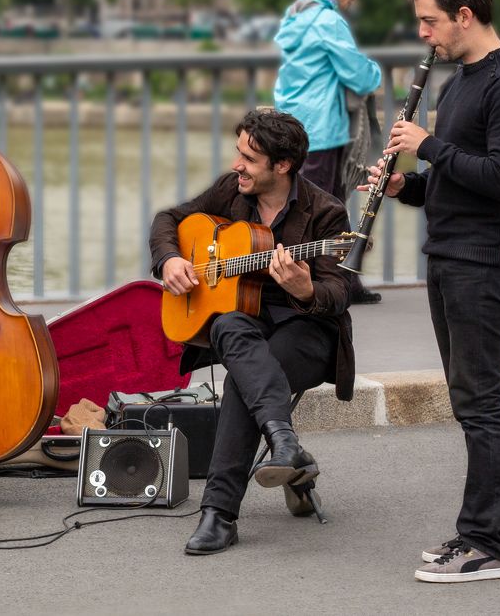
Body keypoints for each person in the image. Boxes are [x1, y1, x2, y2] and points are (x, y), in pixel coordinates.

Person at [365, 0, 500, 582]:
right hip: (450, 252)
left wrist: (429, 145)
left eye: (429, 20)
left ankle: (487, 543)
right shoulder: (457, 82)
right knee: (474, 401)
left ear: (464, 16)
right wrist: (404, 188)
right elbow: (453, 182)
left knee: (481, 401)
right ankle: (497, 532)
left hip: (484, 259)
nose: (423, 34)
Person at [149, 109, 354, 555]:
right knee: (228, 325)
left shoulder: (326, 213)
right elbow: (168, 219)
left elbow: (338, 293)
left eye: (249, 158)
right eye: (238, 152)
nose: (237, 164)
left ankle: (219, 513)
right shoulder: (231, 190)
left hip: (307, 332)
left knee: (247, 380)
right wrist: (169, 259)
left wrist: (305, 288)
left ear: (282, 166)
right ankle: (285, 446)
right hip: (249, 325)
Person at [273, 0, 383, 303]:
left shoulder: (298, 14)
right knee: (323, 209)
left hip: (297, 125)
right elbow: (358, 74)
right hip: (321, 129)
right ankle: (321, 287)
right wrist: (376, 74)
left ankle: (344, 281)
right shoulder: (327, 21)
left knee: (321, 206)